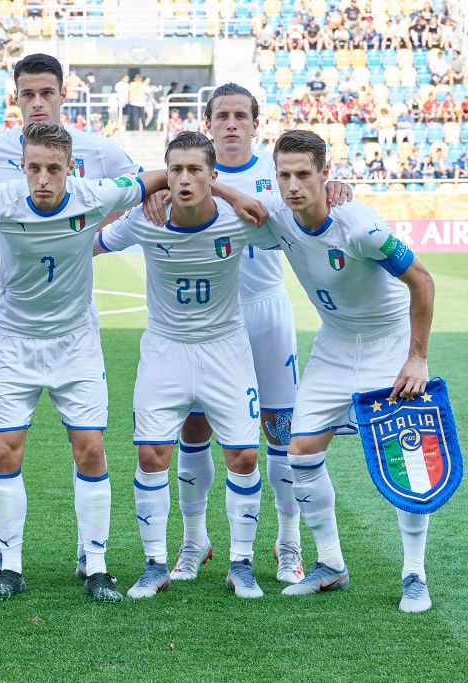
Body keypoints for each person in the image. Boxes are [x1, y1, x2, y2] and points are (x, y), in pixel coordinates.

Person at [0, 121, 165, 602]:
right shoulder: (0, 198)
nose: (43, 178)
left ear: (71, 168)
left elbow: (161, 175)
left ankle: (96, 567)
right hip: (13, 343)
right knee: (5, 450)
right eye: (34, 168)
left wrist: (161, 191)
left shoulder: (95, 194)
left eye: (54, 169)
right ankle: (10, 567)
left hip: (75, 343)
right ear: (21, 166)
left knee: (90, 449)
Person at [142, 83, 352, 586]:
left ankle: (288, 542)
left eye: (241, 116)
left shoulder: (277, 175)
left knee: (280, 433)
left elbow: (316, 202)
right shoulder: (185, 175)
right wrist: (161, 191)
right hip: (205, 324)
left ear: (256, 124)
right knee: (194, 430)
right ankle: (194, 540)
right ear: (208, 123)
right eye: (222, 115)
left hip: (264, 314)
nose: (232, 124)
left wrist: (338, 187)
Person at [0, 53, 144, 587]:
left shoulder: (96, 152)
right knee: (0, 443)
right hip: (12, 324)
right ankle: (3, 556)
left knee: (91, 446)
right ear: (15, 97)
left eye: (46, 93)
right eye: (27, 94)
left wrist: (92, 231)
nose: (37, 102)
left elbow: (143, 185)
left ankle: (92, 558)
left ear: (63, 94)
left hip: (73, 326)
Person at [260, 130, 436, 613]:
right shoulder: (279, 217)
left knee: (407, 458)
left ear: (325, 174)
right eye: (284, 175)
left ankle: (414, 574)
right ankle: (331, 564)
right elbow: (234, 205)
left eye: (303, 174)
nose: (293, 185)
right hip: (334, 344)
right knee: (300, 452)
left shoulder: (359, 225)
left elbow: (422, 280)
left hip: (388, 344)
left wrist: (416, 357)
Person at [98, 132, 280, 600]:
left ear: (212, 177)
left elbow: (300, 223)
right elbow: (89, 246)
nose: (184, 179)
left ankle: (241, 564)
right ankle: (155, 564)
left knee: (244, 457)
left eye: (195, 170)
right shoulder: (145, 219)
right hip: (165, 351)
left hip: (226, 350)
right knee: (151, 455)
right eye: (175, 170)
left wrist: (334, 188)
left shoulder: (239, 220)